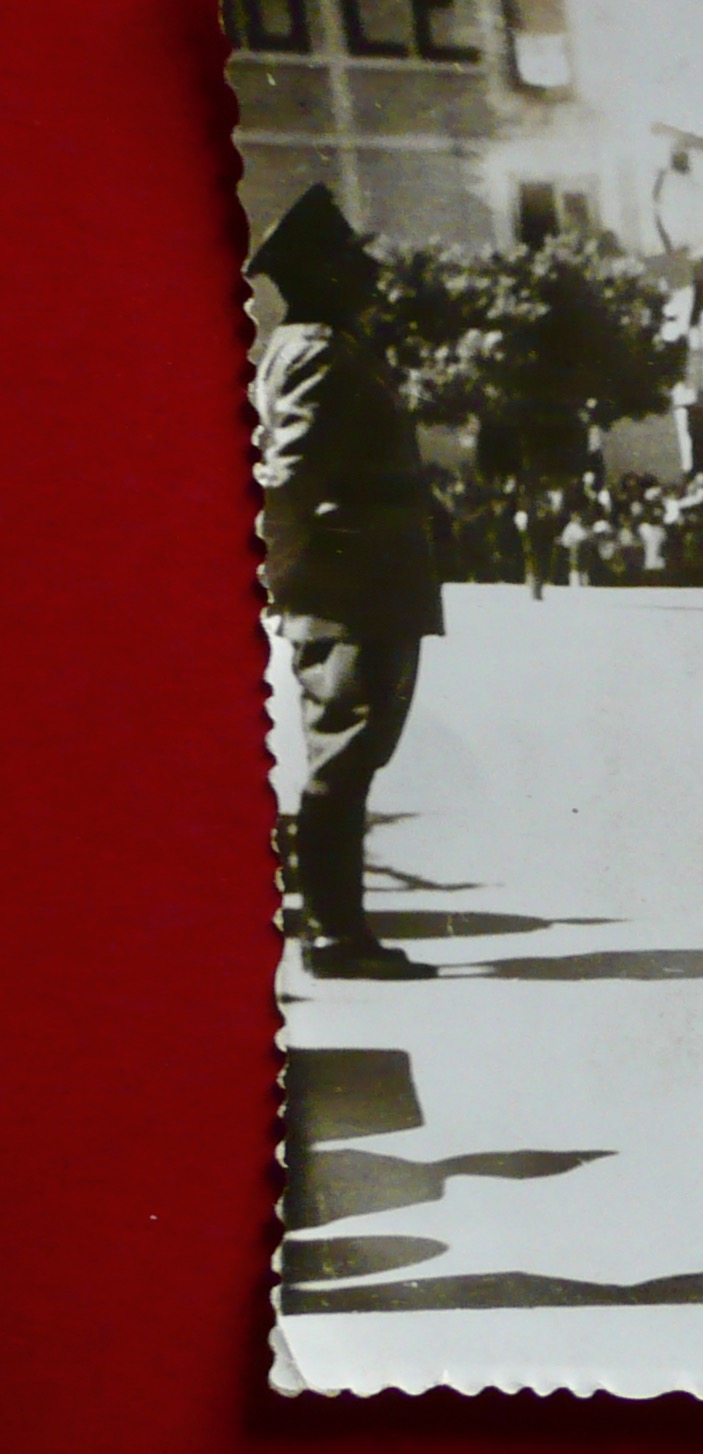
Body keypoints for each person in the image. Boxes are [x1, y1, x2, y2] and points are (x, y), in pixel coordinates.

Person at [249, 184, 443, 982]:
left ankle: (339, 927)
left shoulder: (328, 343)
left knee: (353, 751)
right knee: (343, 753)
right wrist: (281, 572)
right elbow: (291, 475)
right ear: (322, 273)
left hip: (368, 573)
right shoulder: (320, 349)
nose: (368, 271)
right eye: (352, 259)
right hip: (350, 578)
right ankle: (334, 934)